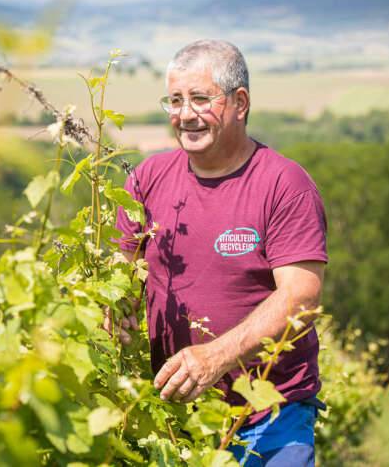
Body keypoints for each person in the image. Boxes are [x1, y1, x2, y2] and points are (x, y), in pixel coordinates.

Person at [112, 39, 328, 466]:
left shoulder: (285, 184)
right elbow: (122, 269)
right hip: (177, 420)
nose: (185, 115)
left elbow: (302, 297)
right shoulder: (147, 178)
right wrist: (116, 307)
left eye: (199, 99)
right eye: (174, 100)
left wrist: (216, 356)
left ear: (240, 102)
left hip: (271, 418)